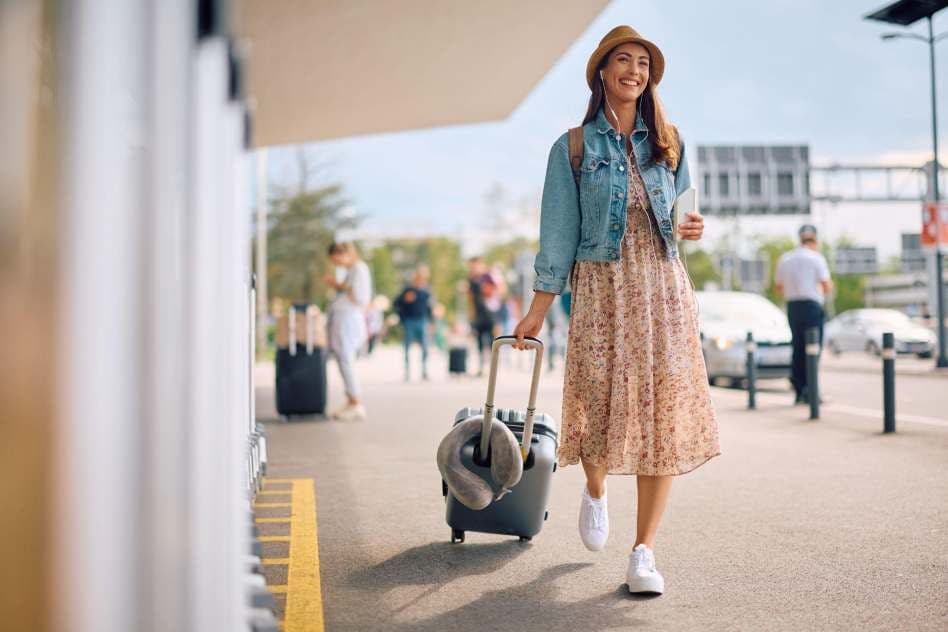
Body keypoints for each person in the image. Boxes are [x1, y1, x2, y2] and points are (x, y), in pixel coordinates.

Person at [512, 25, 720, 595]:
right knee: (598, 400)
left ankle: (644, 552)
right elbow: (558, 232)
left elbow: (681, 220)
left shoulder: (670, 141)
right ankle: (596, 489)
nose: (634, 71)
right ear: (602, 72)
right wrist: (537, 309)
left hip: (662, 289)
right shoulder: (574, 147)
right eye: (623, 61)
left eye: (643, 64)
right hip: (602, 288)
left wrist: (692, 228)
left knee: (663, 415)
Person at [775, 225, 833, 405]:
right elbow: (826, 285)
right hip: (811, 307)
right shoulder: (816, 258)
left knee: (798, 348)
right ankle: (812, 390)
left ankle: (799, 389)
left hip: (793, 307)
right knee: (813, 349)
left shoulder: (785, 259)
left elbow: (778, 287)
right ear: (815, 240)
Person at [323, 242, 372, 421]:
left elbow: (360, 296)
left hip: (349, 320)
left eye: (336, 259)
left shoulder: (359, 269)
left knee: (346, 359)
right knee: (342, 359)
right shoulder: (352, 270)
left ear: (343, 253)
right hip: (343, 319)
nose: (335, 263)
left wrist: (337, 285)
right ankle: (351, 400)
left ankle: (356, 402)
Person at [393, 265, 433, 381]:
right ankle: (407, 371)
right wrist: (405, 302)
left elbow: (429, 308)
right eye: (419, 277)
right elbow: (396, 303)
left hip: (422, 320)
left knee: (425, 346)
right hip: (409, 321)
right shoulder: (407, 290)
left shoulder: (426, 291)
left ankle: (424, 371)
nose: (421, 280)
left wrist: (431, 321)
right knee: (407, 347)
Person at [467, 256, 500, 376]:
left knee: (492, 340)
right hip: (479, 313)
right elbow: (470, 296)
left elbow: (500, 289)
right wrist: (471, 313)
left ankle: (493, 367)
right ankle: (481, 367)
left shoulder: (489, 276)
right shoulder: (471, 279)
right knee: (479, 340)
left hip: (490, 312)